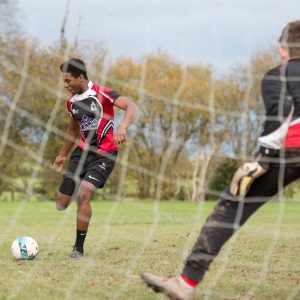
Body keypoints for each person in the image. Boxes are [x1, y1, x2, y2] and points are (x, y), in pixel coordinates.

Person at [141, 20, 300, 300]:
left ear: (283, 50)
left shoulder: (280, 74)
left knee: (232, 206)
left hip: (290, 151)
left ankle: (185, 282)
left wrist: (261, 159)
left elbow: (283, 113)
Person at [53, 58, 138, 259]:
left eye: (68, 81)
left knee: (84, 194)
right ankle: (72, 191)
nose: (65, 85)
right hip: (80, 153)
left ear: (80, 77)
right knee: (61, 203)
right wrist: (63, 154)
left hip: (105, 154)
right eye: (64, 81)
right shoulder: (71, 102)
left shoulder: (104, 93)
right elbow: (73, 130)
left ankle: (78, 249)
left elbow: (132, 106)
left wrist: (123, 126)